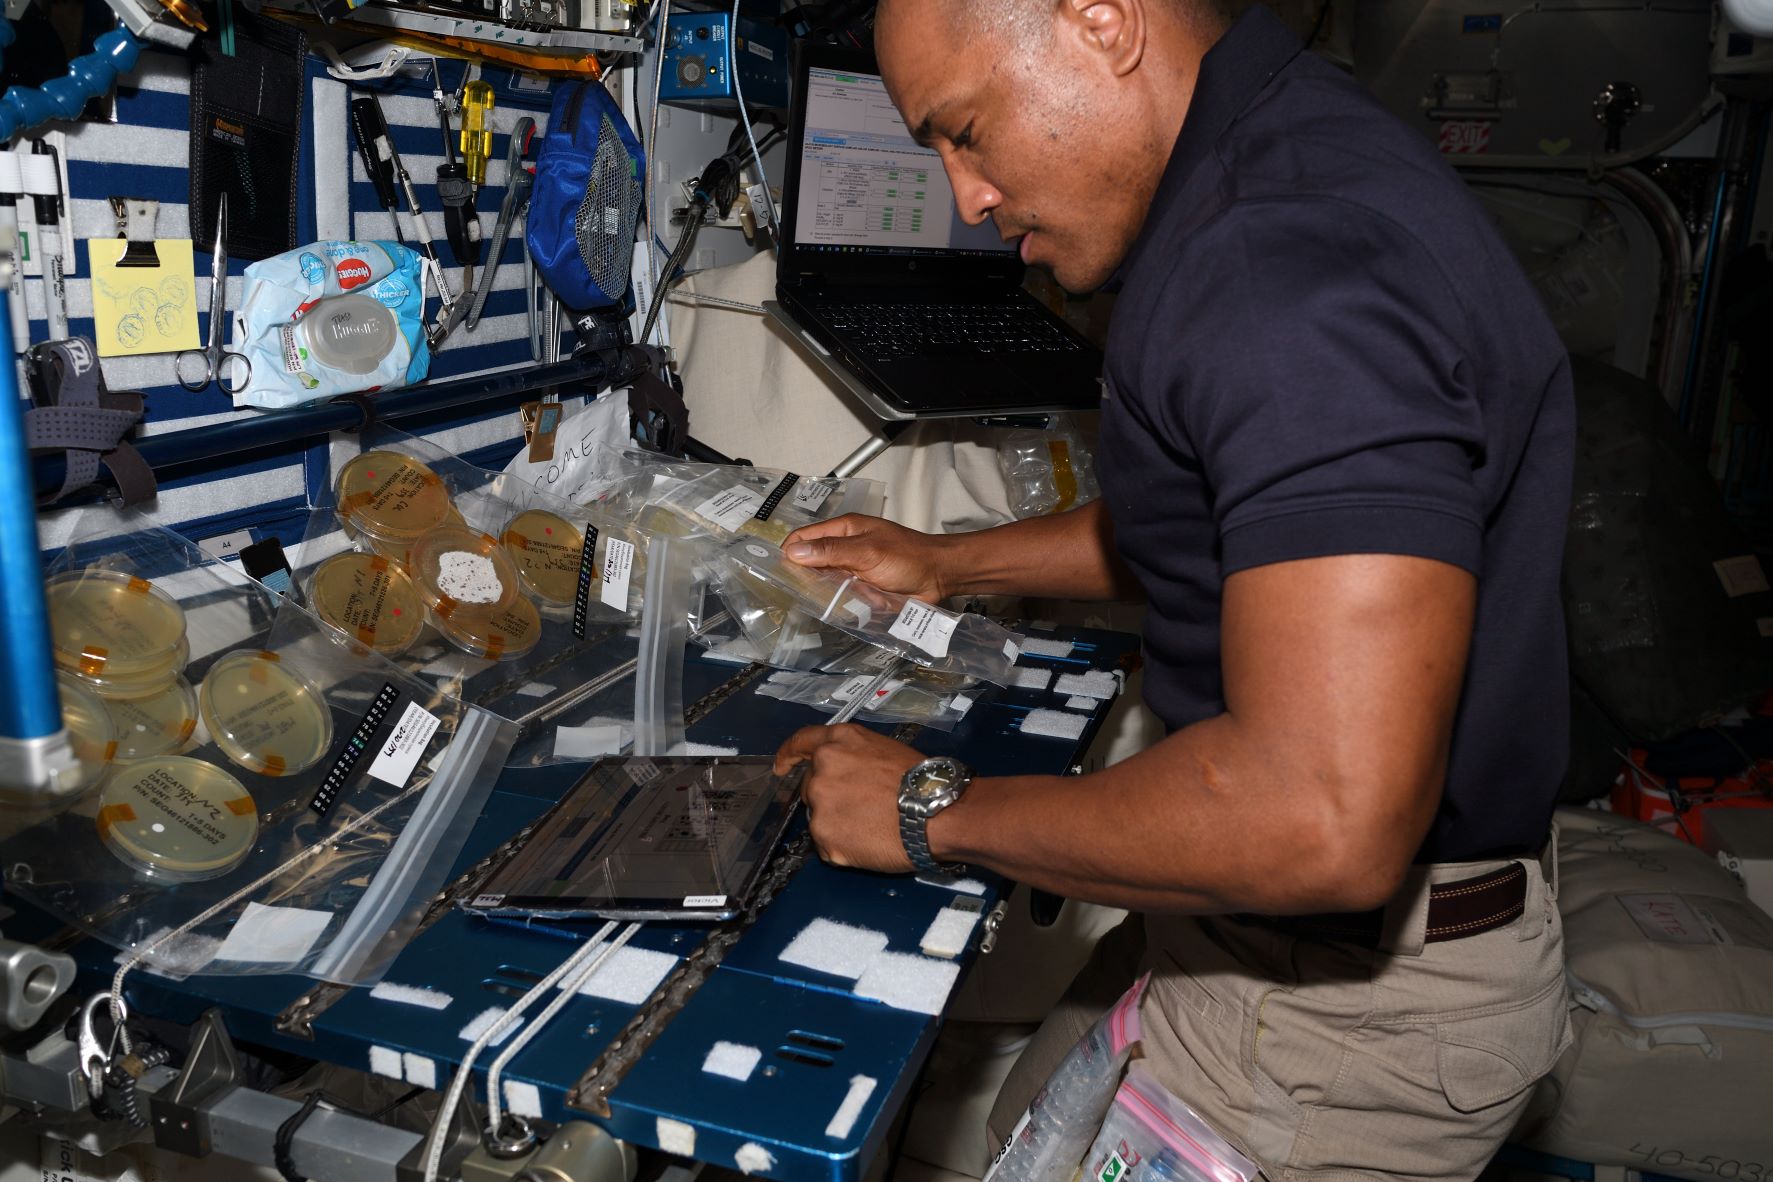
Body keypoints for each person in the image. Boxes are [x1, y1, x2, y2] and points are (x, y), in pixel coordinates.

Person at [772, 1, 1576, 1178]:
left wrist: (930, 813)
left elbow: (1321, 816)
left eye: (968, 130)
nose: (968, 197)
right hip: (1252, 943)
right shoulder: (1271, 156)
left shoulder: (1276, 267)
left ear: (1099, 21)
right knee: (1014, 1135)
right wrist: (951, 562)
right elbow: (1222, 520)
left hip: (1335, 1022)